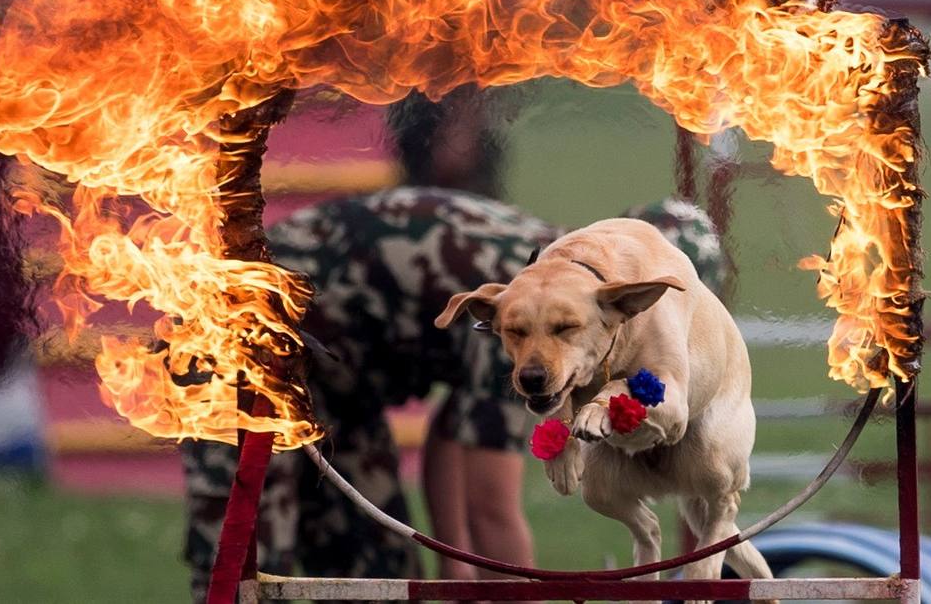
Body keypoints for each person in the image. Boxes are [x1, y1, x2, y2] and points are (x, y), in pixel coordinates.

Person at [180, 187, 727, 599]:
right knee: (246, 565)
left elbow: (457, 428)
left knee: (380, 569)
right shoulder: (538, 313)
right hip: (238, 343)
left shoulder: (563, 276)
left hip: (335, 377)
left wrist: (457, 567)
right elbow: (492, 508)